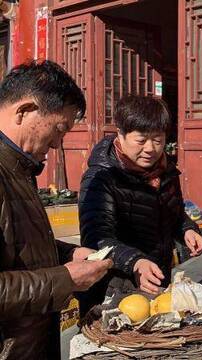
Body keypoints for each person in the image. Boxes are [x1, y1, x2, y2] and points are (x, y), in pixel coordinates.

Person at [0, 60, 113, 360]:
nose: (57, 145)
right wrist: (67, 279)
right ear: (24, 112)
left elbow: (18, 247)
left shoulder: (19, 168)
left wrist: (67, 254)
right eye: (58, 130)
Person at [78, 95, 202, 315]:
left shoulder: (165, 171)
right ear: (120, 134)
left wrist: (186, 229)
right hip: (114, 285)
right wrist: (135, 261)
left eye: (157, 140)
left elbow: (172, 211)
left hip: (155, 277)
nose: (150, 149)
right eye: (141, 140)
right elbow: (96, 238)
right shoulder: (101, 177)